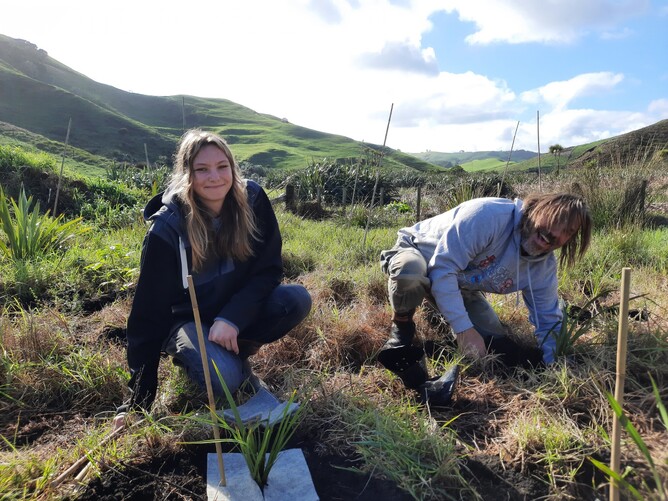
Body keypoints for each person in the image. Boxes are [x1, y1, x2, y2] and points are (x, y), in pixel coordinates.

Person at [114, 129, 312, 427]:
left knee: (295, 300)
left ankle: (233, 347)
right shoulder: (166, 231)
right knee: (228, 380)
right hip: (186, 319)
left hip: (229, 311)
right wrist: (137, 403)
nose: (215, 177)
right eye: (202, 169)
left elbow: (268, 269)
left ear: (233, 168)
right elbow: (147, 317)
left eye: (222, 167)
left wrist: (232, 317)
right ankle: (199, 356)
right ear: (187, 175)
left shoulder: (254, 200)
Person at [378, 193, 591, 399]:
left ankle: (439, 337)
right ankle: (402, 328)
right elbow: (443, 268)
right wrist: (463, 329)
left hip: (461, 284)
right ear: (538, 209)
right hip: (420, 253)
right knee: (410, 273)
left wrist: (556, 366)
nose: (556, 234)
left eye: (568, 231)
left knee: (494, 342)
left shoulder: (542, 268)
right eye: (555, 220)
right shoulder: (489, 216)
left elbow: (548, 320)